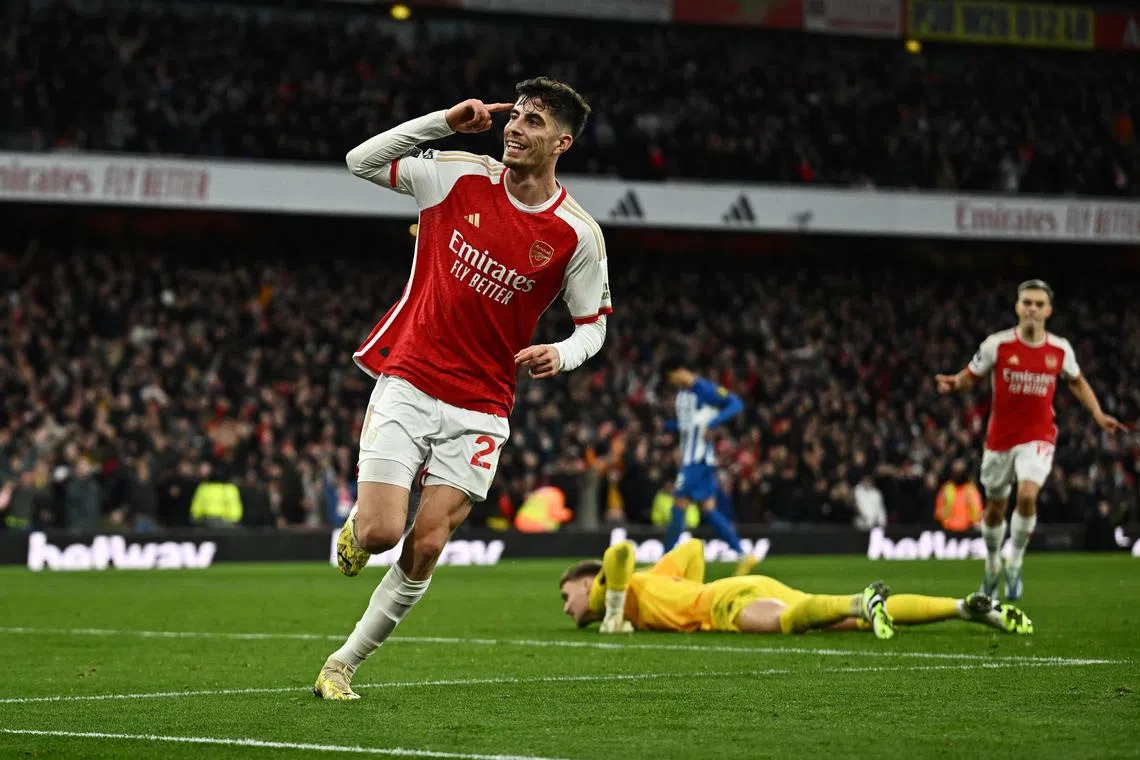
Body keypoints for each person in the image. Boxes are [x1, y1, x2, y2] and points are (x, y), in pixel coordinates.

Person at [314, 78, 612, 701]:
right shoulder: (456, 174)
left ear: (561, 143)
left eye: (533, 121)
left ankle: (341, 665)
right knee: (381, 534)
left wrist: (561, 353)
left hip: (482, 405)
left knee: (426, 544)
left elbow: (593, 327)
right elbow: (359, 161)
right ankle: (357, 530)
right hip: (411, 379)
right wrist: (443, 122)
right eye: (515, 115)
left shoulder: (576, 234)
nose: (516, 127)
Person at [935, 279, 1124, 601]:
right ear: (1017, 307)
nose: (1032, 309)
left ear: (1049, 310)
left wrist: (1097, 413)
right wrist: (955, 383)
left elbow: (1077, 382)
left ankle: (1015, 561)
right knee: (995, 507)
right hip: (999, 440)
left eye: (1039, 304)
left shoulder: (1059, 349)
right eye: (1027, 303)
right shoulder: (997, 345)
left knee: (1026, 494)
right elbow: (971, 375)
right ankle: (992, 565)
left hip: (1038, 436)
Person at [559, 539, 1033, 637]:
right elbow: (695, 547)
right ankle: (964, 608)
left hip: (723, 603)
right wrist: (684, 590)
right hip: (744, 585)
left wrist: (613, 613)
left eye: (566, 596)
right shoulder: (656, 580)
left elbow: (618, 553)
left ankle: (860, 599)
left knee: (787, 623)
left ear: (586, 583)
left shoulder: (604, 590)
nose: (567, 607)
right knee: (847, 623)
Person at [659, 357, 755, 575]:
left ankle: (663, 563)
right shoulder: (683, 394)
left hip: (697, 460)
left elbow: (736, 403)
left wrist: (714, 423)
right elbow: (688, 424)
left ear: (679, 371)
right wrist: (667, 426)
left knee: (679, 504)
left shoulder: (704, 389)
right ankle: (743, 554)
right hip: (693, 459)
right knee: (709, 509)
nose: (672, 383)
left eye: (671, 378)